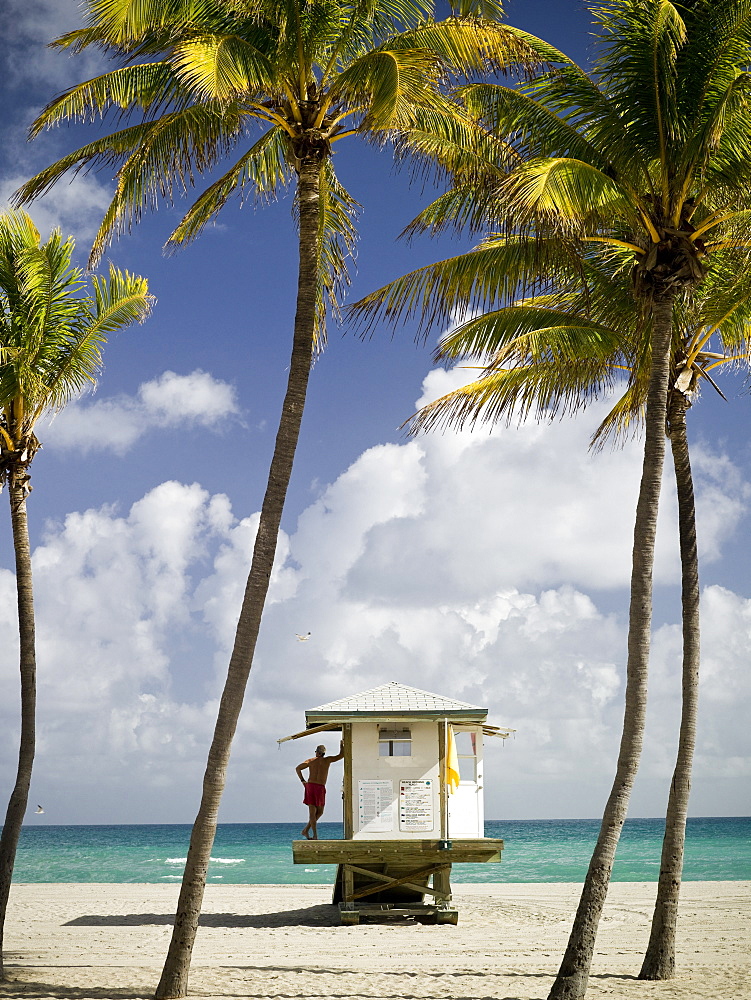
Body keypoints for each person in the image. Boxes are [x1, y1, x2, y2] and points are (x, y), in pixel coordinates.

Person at [296, 740, 344, 840]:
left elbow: (298, 768)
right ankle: (314, 835)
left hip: (311, 787)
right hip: (319, 787)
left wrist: (303, 781)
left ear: (317, 752)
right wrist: (341, 746)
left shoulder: (310, 761)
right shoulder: (327, 760)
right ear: (323, 753)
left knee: (317, 812)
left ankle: (306, 830)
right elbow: (341, 755)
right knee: (316, 812)